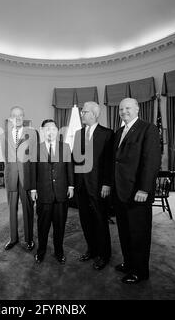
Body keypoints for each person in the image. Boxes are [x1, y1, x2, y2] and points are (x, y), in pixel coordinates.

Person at [113, 98, 161, 284]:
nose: (124, 111)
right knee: (124, 232)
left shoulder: (148, 129)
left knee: (139, 234)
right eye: (121, 108)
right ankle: (128, 263)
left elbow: (151, 161)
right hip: (120, 192)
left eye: (128, 108)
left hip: (137, 192)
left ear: (137, 109)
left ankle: (140, 271)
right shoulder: (119, 133)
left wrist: (144, 188)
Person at [73, 102, 113, 270]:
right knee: (86, 221)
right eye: (82, 111)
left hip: (99, 186)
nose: (82, 114)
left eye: (84, 111)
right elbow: (76, 160)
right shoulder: (78, 134)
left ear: (95, 114)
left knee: (100, 221)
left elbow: (109, 162)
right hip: (82, 186)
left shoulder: (107, 134)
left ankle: (104, 255)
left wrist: (107, 183)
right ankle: (92, 249)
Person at [31, 120, 74, 264]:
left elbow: (69, 168)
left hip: (61, 193)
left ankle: (59, 251)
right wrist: (33, 189)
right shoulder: (36, 148)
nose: (50, 131)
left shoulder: (66, 147)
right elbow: (32, 171)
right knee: (42, 227)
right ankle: (41, 252)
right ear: (43, 131)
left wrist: (71, 186)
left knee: (60, 226)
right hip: (43, 194)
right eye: (47, 129)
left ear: (57, 131)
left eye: (53, 129)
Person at [0, 106, 37, 251]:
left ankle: (29, 239)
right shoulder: (4, 136)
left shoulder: (32, 134)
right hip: (11, 177)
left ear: (24, 117)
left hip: (26, 178)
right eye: (15, 115)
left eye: (21, 115)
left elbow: (34, 158)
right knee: (11, 210)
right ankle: (13, 238)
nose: (18, 118)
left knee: (28, 210)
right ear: (11, 118)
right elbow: (5, 158)